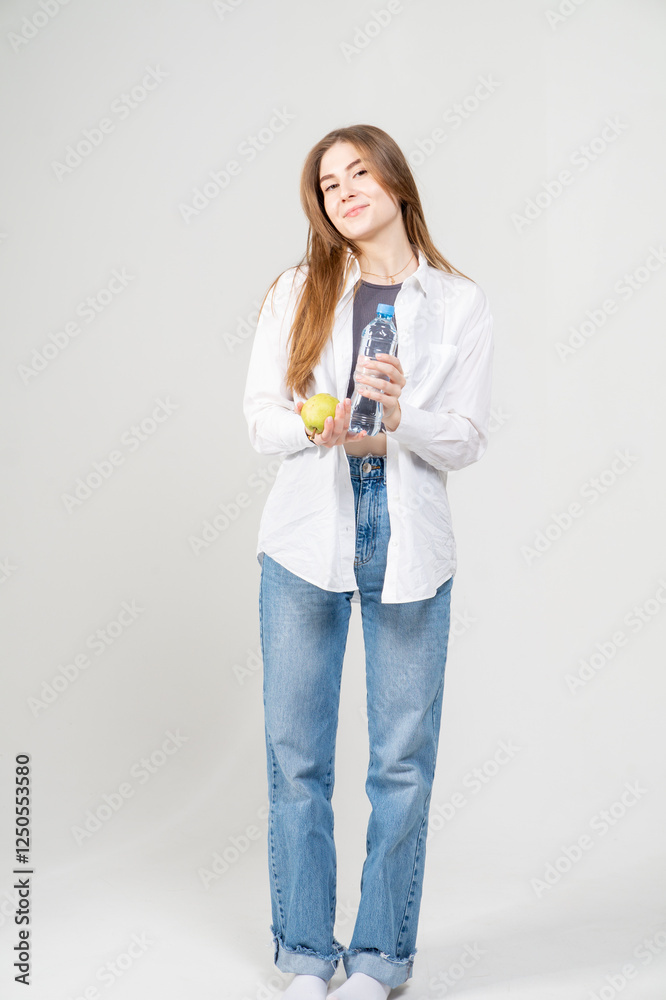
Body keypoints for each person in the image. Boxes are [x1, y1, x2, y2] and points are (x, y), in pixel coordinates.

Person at [242, 124, 494, 1000]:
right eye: (328, 183)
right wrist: (316, 423)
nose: (344, 190)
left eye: (358, 172)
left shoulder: (458, 303)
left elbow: (464, 439)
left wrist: (398, 416)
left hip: (408, 539)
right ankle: (306, 956)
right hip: (305, 536)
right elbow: (261, 420)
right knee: (295, 758)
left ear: (395, 181)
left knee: (401, 765)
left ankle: (380, 960)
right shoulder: (297, 290)